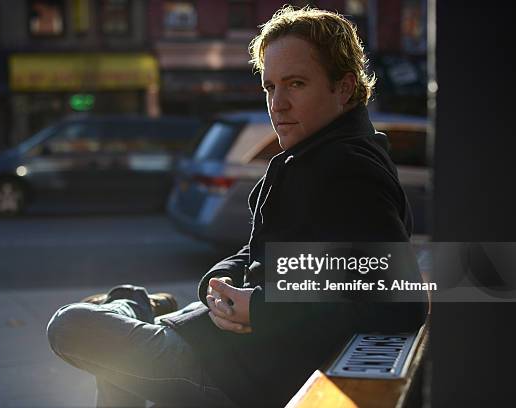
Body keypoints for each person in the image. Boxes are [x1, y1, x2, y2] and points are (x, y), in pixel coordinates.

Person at [47, 6, 428, 407]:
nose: (277, 104)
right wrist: (220, 279)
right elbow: (270, 255)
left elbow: (398, 302)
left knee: (71, 326)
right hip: (222, 348)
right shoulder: (313, 156)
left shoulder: (349, 167)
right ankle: (135, 308)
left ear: (344, 88)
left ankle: (132, 304)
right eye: (270, 87)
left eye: (296, 83)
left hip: (240, 376)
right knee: (114, 362)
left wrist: (259, 310)